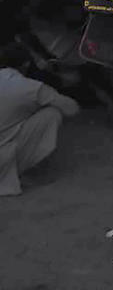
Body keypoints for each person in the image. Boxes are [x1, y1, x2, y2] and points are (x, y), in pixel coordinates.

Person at [0, 45, 79, 196]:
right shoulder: (29, 87)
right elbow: (72, 108)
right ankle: (26, 170)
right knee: (52, 113)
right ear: (26, 65)